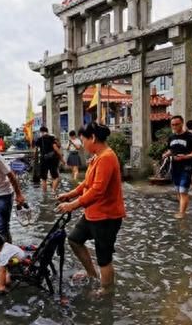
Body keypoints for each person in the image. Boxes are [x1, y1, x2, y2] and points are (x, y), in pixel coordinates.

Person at [56, 122, 125, 294]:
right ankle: (92, 275)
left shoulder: (107, 157)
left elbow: (97, 190)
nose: (82, 144)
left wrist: (72, 205)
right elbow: (87, 183)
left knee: (104, 258)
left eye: (83, 140)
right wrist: (69, 195)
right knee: (74, 239)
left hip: (107, 216)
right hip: (92, 214)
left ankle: (106, 290)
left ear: (93, 138)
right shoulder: (96, 157)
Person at [162, 115, 192, 218]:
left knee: (183, 190)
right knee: (178, 190)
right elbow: (171, 149)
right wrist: (166, 154)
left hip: (186, 166)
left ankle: (182, 213)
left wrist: (186, 156)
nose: (174, 126)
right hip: (174, 167)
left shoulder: (190, 136)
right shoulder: (171, 137)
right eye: (172, 125)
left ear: (182, 123)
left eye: (177, 124)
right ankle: (181, 209)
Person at [34, 127, 65, 194]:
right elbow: (56, 148)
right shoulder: (51, 138)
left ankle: (44, 194)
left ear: (41, 132)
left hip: (43, 159)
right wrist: (62, 159)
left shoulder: (39, 139)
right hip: (52, 160)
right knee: (55, 177)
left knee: (44, 179)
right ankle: (53, 191)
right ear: (47, 131)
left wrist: (35, 160)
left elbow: (35, 151)